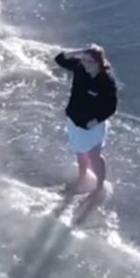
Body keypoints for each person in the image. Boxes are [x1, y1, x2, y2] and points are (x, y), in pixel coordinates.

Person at [54, 43, 118, 194]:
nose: (84, 63)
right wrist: (81, 52)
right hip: (74, 120)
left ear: (98, 63)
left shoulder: (106, 81)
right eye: (83, 60)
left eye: (88, 61)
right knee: (80, 152)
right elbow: (59, 59)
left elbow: (111, 106)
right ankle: (82, 176)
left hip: (92, 125)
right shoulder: (80, 68)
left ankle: (99, 185)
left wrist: (95, 121)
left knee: (94, 156)